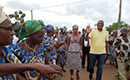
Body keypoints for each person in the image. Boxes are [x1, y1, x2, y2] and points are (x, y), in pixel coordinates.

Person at [0, 6, 63, 80]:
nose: (13, 33)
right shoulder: (14, 50)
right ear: (29, 35)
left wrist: (48, 68)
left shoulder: (6, 52)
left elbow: (14, 74)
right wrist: (36, 66)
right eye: (9, 29)